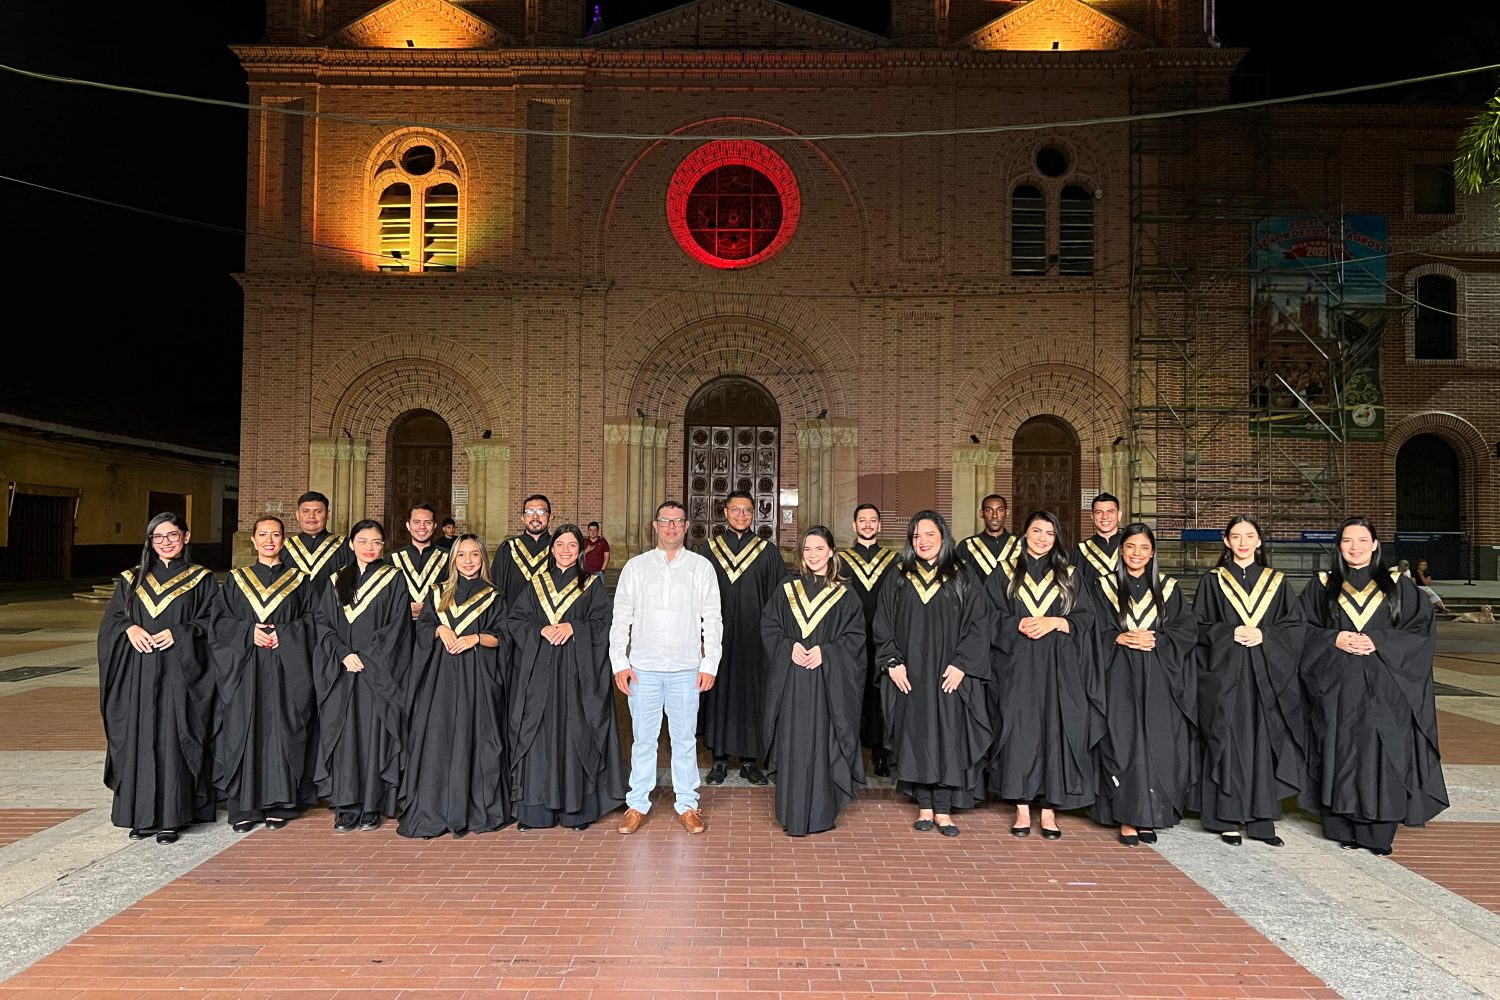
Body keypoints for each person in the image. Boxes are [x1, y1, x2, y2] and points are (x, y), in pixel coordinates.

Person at [1298, 517, 1448, 855]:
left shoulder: (1400, 586)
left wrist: (1378, 640)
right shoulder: (1322, 586)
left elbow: (1420, 632)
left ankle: (1378, 831)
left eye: (1362, 540)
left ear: (1376, 544)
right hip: (1338, 686)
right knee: (1339, 747)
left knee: (1383, 752)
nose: (1355, 547)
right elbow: (1300, 631)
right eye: (1347, 541)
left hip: (1386, 687)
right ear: (1338, 546)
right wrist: (1334, 637)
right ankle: (1340, 824)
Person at [97, 513, 218, 844]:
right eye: (158, 537)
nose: (166, 543)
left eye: (172, 535)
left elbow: (213, 623)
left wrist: (180, 632)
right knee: (140, 737)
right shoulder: (131, 580)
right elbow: (113, 622)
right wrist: (128, 628)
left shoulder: (201, 579)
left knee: (174, 738)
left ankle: (170, 818)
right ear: (150, 541)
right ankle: (141, 815)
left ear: (186, 537)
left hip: (180, 674)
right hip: (139, 674)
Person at [875, 510, 993, 836]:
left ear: (942, 535)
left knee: (949, 737)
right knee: (917, 738)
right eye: (916, 536)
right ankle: (924, 804)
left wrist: (963, 664)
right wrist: (891, 661)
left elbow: (979, 625)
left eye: (929, 534)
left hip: (948, 673)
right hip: (911, 674)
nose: (922, 541)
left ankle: (944, 808)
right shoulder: (899, 575)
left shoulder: (962, 575)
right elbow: (882, 623)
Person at [1193, 515, 1307, 847]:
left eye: (1250, 536)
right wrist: (1229, 632)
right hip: (1226, 677)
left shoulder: (1277, 581)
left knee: (1263, 742)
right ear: (1226, 542)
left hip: (1265, 676)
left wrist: (1265, 635)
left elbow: (1295, 628)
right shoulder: (1212, 581)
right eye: (1236, 536)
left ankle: (1261, 819)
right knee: (1228, 740)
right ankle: (1226, 817)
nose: (1243, 542)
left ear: (1259, 541)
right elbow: (1197, 627)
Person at [610, 500, 723, 835]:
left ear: (687, 527)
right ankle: (637, 803)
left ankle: (688, 803)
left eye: (678, 521)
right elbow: (621, 619)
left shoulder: (700, 567)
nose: (672, 527)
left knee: (684, 739)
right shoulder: (636, 567)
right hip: (643, 668)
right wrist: (620, 662)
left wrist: (710, 664)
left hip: (686, 668)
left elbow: (712, 620)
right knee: (644, 739)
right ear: (654, 525)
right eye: (665, 521)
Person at [986, 510, 1100, 840]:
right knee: (1020, 730)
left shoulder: (1069, 574)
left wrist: (1056, 622)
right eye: (1036, 531)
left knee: (1056, 729)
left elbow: (1086, 618)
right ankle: (1022, 807)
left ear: (1056, 538)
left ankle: (1050, 809)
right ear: (1025, 535)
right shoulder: (1005, 573)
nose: (1042, 538)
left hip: (1058, 667)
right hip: (1018, 665)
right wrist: (1014, 624)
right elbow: (988, 616)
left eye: (1049, 533)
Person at [506, 524, 625, 831]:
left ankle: (577, 809)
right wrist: (540, 629)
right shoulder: (536, 584)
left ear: (580, 550)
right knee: (539, 733)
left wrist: (575, 628)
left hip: (576, 673)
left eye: (572, 545)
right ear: (553, 548)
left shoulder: (591, 584)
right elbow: (516, 619)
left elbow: (604, 622)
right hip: (541, 671)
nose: (566, 550)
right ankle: (536, 811)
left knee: (576, 731)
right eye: (560, 544)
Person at [1088, 523, 1197, 847]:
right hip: (1118, 675)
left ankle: (1151, 814)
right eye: (1131, 547)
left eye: (1144, 548)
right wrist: (1117, 636)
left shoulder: (1168, 588)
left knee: (1155, 743)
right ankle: (1126, 816)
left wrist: (1159, 639)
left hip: (1157, 675)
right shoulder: (1103, 587)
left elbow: (1187, 630)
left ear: (1152, 553)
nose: (1137, 553)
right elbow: (1091, 630)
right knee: (1123, 742)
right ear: (1122, 551)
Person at [209, 515, 317, 833]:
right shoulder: (236, 580)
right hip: (246, 669)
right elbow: (218, 623)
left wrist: (286, 633)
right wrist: (247, 632)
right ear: (253, 541)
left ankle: (279, 802)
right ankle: (245, 805)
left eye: (275, 534)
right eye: (262, 534)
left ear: (284, 540)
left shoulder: (300, 581)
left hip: (285, 669)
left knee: (283, 730)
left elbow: (315, 621)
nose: (269, 540)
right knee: (244, 730)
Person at [400, 534, 510, 838]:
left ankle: (471, 808)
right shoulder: (437, 594)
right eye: (461, 555)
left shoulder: (493, 596)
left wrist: (475, 638)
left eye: (474, 555)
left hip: (477, 677)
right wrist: (438, 628)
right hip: (441, 679)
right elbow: (420, 630)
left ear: (482, 559)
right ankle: (435, 809)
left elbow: (502, 636)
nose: (468, 561)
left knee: (473, 736)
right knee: (438, 737)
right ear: (453, 560)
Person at [761, 526, 867, 836]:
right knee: (794, 739)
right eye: (807, 549)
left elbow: (856, 638)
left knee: (823, 738)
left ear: (832, 552)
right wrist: (787, 646)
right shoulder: (786, 589)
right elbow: (769, 627)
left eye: (819, 549)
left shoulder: (846, 594)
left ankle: (820, 812)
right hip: (793, 679)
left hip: (825, 682)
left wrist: (828, 652)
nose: (813, 555)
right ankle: (791, 812)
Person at [313, 520, 413, 832]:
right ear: (351, 543)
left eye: (376, 542)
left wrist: (367, 657)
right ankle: (345, 804)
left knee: (373, 734)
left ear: (384, 546)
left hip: (376, 672)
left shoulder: (394, 579)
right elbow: (323, 622)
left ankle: (371, 804)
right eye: (363, 541)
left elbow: (397, 626)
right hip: (342, 670)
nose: (370, 548)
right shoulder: (337, 580)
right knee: (344, 735)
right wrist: (343, 653)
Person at [696, 490, 788, 785]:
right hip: (716, 636)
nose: (741, 515)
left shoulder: (767, 551)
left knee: (752, 694)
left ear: (754, 514)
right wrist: (698, 634)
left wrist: (775, 638)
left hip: (755, 638)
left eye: (747, 510)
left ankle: (750, 761)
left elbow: (778, 599)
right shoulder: (708, 550)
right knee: (718, 692)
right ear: (725, 512)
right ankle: (719, 759)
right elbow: (694, 597)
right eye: (736, 510)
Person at [841, 503, 899, 776]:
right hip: (850, 641)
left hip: (882, 640)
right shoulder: (840, 560)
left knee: (880, 696)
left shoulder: (894, 560)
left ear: (879, 525)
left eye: (872, 520)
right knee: (851, 693)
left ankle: (880, 754)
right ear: (854, 525)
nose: (867, 524)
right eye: (862, 520)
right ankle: (849, 753)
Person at [491, 494, 554, 606]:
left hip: (550, 621)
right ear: (523, 518)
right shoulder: (508, 548)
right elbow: (496, 589)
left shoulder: (559, 549)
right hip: (512, 619)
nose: (535, 516)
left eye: (541, 511)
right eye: (529, 512)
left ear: (550, 516)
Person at [284, 491, 353, 594]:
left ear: (328, 514)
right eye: (305, 511)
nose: (311, 516)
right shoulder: (284, 547)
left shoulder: (344, 546)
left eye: (318, 511)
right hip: (292, 609)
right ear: (298, 515)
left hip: (332, 609)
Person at [391, 503, 449, 622]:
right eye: (416, 522)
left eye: (428, 522)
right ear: (408, 525)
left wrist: (428, 609)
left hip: (437, 626)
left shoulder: (449, 558)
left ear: (434, 526)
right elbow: (386, 597)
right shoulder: (391, 559)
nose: (422, 527)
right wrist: (404, 608)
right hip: (401, 627)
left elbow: (455, 593)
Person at [959, 494, 1019, 582]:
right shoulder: (967, 546)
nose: (994, 515)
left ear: (1007, 513)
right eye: (988, 511)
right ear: (981, 514)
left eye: (1000, 510)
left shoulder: (1020, 545)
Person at [1074, 492, 1122, 578]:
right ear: (1092, 517)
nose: (1105, 517)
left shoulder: (1130, 547)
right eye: (1099, 512)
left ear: (1119, 515)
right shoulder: (1080, 551)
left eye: (1110, 511)